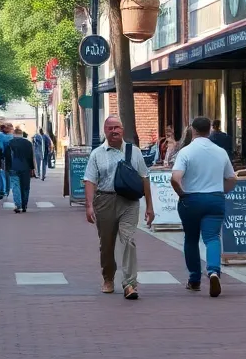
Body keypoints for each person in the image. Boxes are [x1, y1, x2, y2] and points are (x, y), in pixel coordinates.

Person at [83, 116, 154, 300]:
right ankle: (108, 277)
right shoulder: (97, 154)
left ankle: (130, 283)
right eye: (110, 128)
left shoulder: (134, 152)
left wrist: (149, 207)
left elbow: (144, 178)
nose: (114, 131)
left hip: (129, 201)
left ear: (122, 130)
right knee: (106, 244)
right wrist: (89, 205)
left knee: (128, 239)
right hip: (105, 201)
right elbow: (90, 180)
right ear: (104, 131)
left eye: (117, 127)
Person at [170, 116, 237, 297]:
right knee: (212, 237)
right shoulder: (220, 152)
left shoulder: (186, 152)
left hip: (191, 199)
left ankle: (194, 279)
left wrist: (182, 194)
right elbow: (232, 178)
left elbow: (175, 178)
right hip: (215, 199)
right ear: (210, 131)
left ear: (193, 130)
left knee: (191, 239)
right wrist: (222, 191)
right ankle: (214, 271)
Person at [6, 127, 37, 212]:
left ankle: (18, 204)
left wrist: (7, 168)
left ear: (14, 134)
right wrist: (32, 168)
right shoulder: (28, 143)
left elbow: (7, 157)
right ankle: (24, 205)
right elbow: (31, 157)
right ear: (22, 134)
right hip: (26, 168)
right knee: (25, 187)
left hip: (13, 167)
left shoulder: (9, 143)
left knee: (15, 186)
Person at [0, 123, 14, 199]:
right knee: (7, 174)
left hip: (1, 158)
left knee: (1, 173)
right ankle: (7, 190)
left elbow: (0, 147)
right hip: (9, 158)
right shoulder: (11, 137)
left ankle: (2, 190)